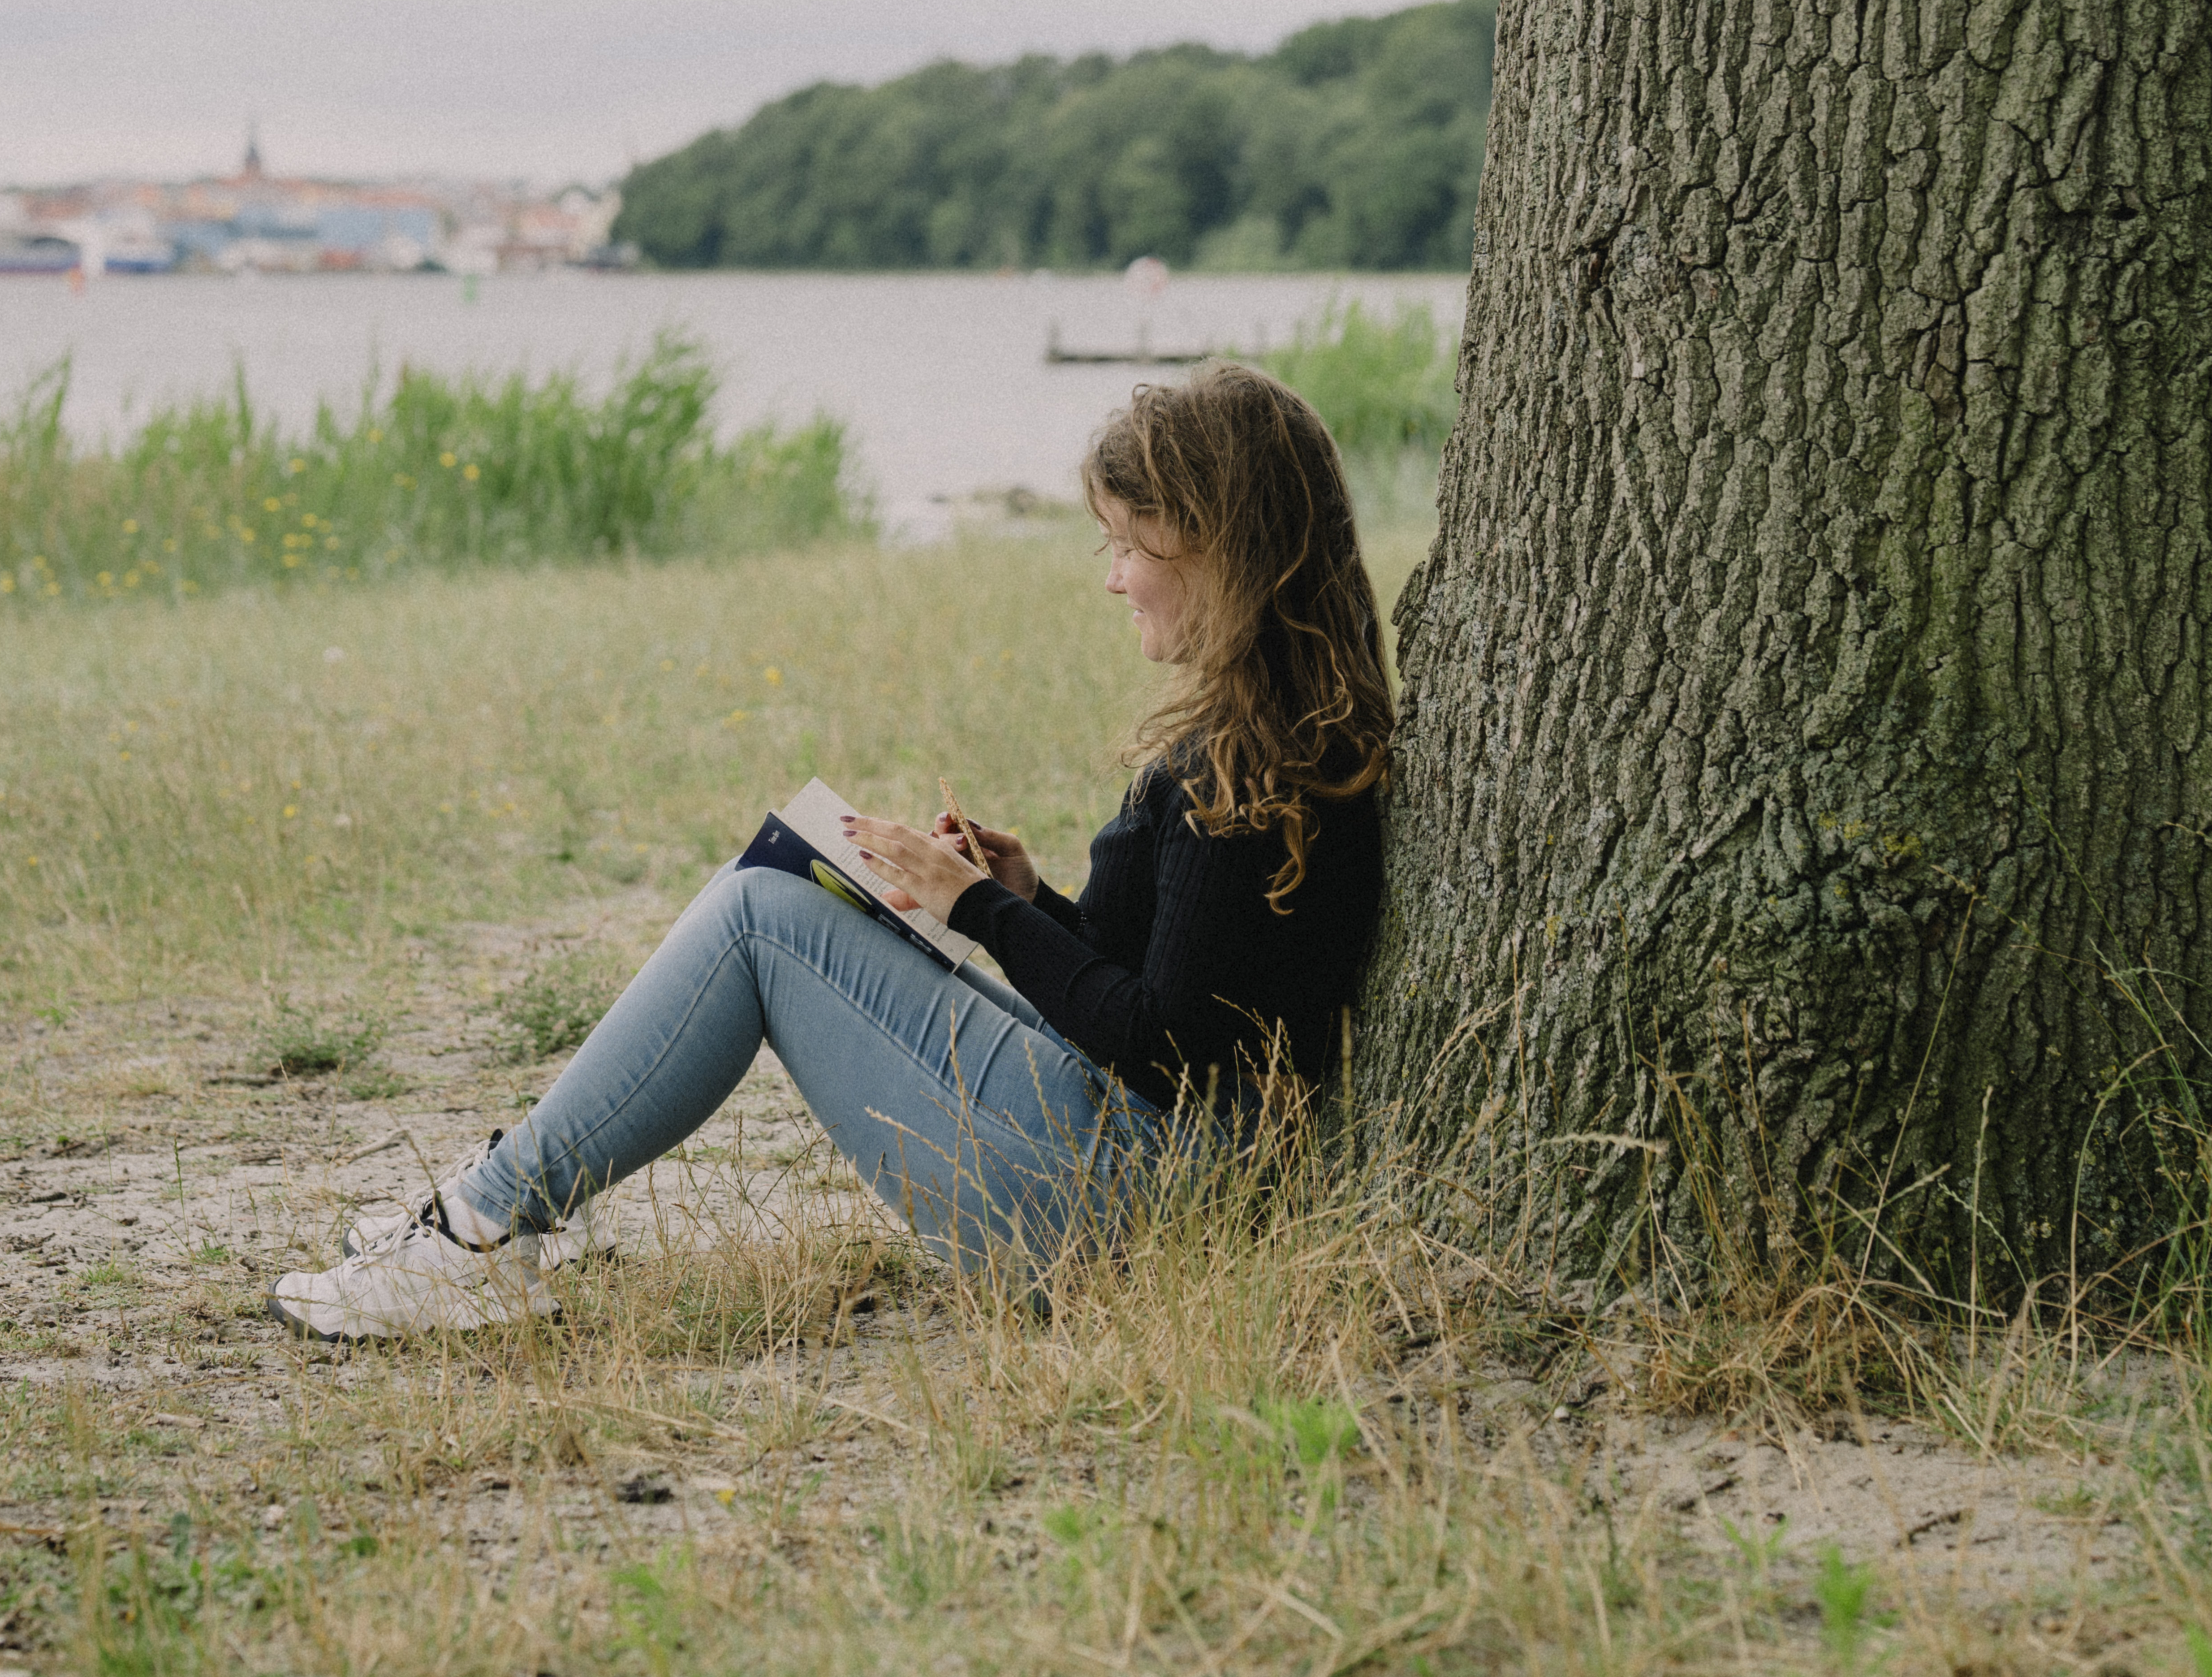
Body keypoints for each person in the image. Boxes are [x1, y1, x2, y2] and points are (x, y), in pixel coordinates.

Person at [270, 359, 1393, 1341]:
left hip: (1127, 1204)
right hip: (1154, 1172)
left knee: (761, 918)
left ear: (1217, 546)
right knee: (770, 888)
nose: (1111, 577)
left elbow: (1166, 1050)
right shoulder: (1283, 736)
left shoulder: (1252, 769)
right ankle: (502, 1205)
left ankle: (476, 1233)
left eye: (1129, 544)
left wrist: (980, 912)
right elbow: (1177, 989)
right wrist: (1026, 896)